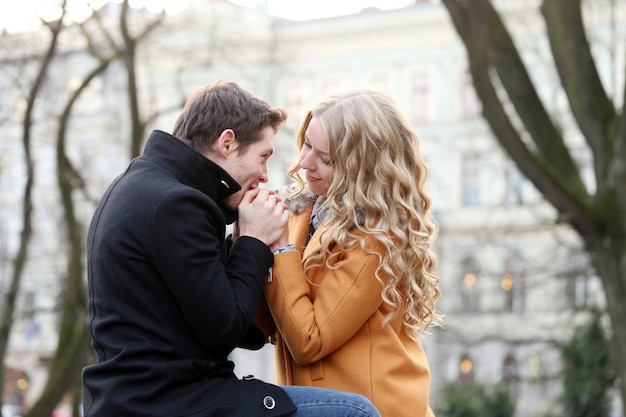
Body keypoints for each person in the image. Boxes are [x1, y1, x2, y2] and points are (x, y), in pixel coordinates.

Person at [82, 80, 382, 417]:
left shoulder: (144, 186)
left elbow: (220, 311)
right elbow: (224, 330)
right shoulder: (177, 205)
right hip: (170, 402)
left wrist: (243, 245)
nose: (266, 176)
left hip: (142, 398)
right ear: (227, 142)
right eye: (263, 157)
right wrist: (253, 241)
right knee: (354, 412)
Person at [260, 89, 443, 417]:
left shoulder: (377, 239)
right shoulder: (303, 211)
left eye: (325, 158)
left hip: (377, 408)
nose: (305, 163)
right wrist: (247, 246)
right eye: (306, 145)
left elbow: (308, 342)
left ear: (362, 166)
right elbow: (274, 323)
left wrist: (277, 247)